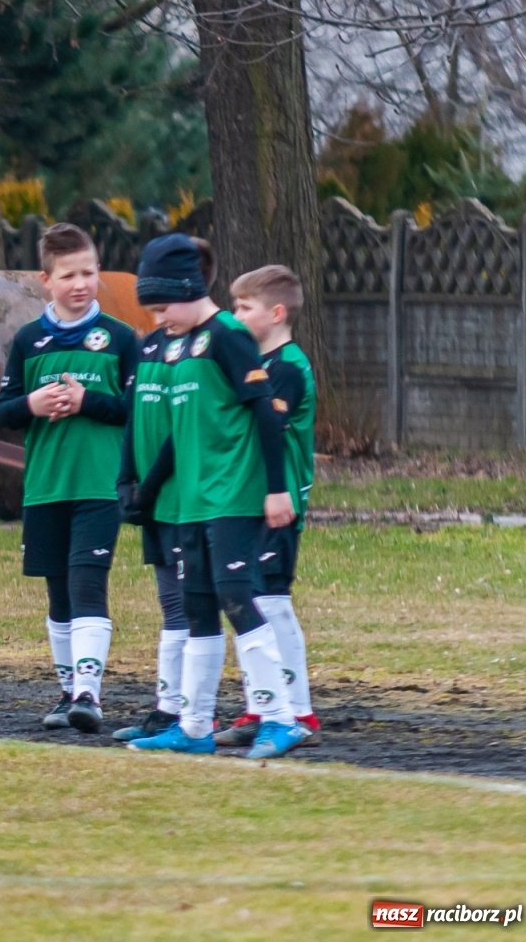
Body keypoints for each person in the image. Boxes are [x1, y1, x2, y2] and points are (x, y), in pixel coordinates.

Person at [123, 234, 303, 760]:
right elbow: (184, 431)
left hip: (234, 494)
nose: (159, 318)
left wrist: (275, 489)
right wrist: (147, 488)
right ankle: (194, 725)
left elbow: (265, 413)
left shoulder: (226, 336)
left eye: (162, 306)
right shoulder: (177, 345)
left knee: (233, 594)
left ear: (186, 289)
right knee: (199, 608)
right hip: (191, 500)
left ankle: (281, 716)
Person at [0, 224, 138, 734]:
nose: (81, 284)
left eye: (89, 272)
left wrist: (87, 402)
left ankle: (88, 695)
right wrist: (32, 403)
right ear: (45, 280)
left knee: (87, 585)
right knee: (58, 596)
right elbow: (3, 411)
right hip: (46, 487)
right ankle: (65, 692)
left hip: (99, 486)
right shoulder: (29, 340)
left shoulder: (121, 339)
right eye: (69, 275)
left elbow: (135, 410)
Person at [111, 239, 217, 743]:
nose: (157, 317)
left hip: (179, 497)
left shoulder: (200, 347)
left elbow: (183, 427)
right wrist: (125, 478)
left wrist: (150, 485)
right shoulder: (152, 346)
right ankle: (165, 707)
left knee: (186, 606)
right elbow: (136, 417)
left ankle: (189, 712)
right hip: (151, 500)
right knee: (168, 605)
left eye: (161, 306)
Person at [213, 264, 322, 747]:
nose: (235, 315)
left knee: (272, 603)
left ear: (276, 313)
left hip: (279, 502)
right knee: (250, 599)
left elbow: (267, 427)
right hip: (247, 498)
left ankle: (299, 712)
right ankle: (262, 705)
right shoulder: (256, 365)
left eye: (244, 307)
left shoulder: (289, 368)